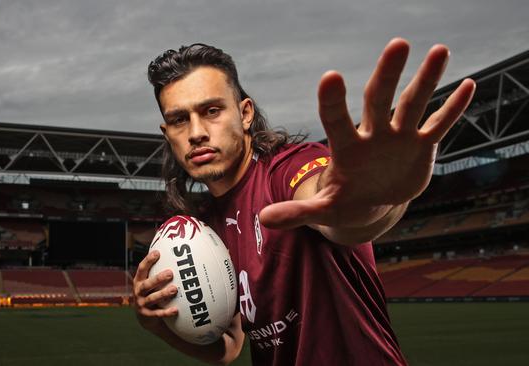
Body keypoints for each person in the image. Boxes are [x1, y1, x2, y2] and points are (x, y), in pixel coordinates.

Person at [133, 39, 476, 365]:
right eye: (179, 119)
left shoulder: (288, 169)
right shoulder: (206, 230)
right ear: (168, 133)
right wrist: (159, 327)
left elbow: (339, 213)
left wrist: (376, 197)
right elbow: (229, 347)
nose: (196, 132)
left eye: (211, 111)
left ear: (245, 114)